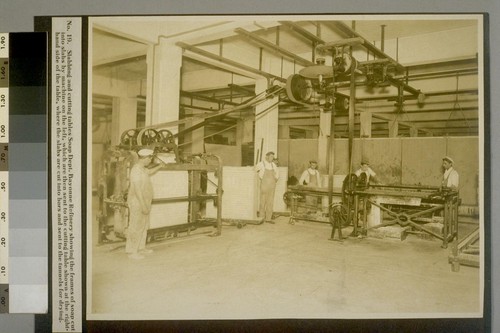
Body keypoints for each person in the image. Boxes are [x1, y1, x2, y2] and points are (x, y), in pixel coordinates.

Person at [125, 148, 165, 259]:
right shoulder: (136, 170)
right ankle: (132, 252)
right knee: (136, 226)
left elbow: (149, 172)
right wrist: (143, 205)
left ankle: (141, 248)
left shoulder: (141, 168)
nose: (150, 161)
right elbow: (137, 190)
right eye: (150, 158)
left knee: (143, 225)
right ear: (145, 158)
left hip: (144, 201)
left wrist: (160, 166)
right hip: (138, 202)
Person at [256, 151, 279, 224]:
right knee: (263, 201)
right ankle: (261, 217)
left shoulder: (273, 165)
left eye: (273, 157)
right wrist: (259, 178)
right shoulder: (261, 164)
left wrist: (275, 179)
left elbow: (277, 174)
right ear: (267, 157)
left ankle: (268, 218)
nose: (272, 158)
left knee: (270, 202)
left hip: (272, 186)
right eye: (271, 156)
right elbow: (255, 170)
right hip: (264, 185)